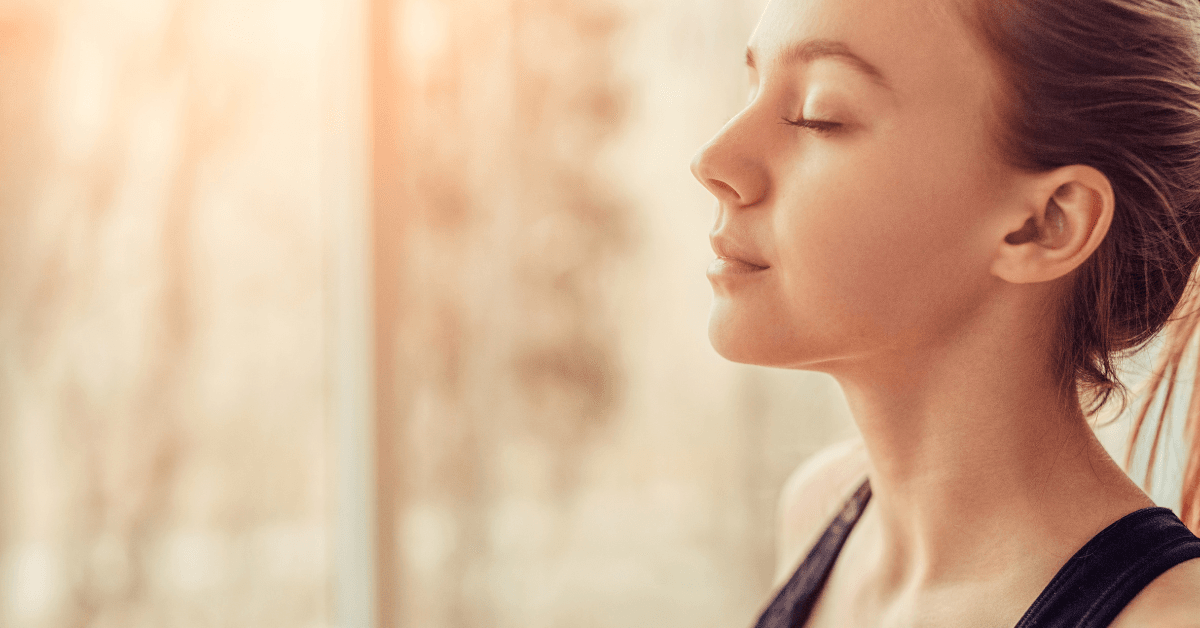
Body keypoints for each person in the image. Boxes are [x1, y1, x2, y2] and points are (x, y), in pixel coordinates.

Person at [689, 0, 1200, 625]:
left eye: (817, 115)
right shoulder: (820, 508)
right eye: (753, 87)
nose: (712, 161)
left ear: (1046, 224)